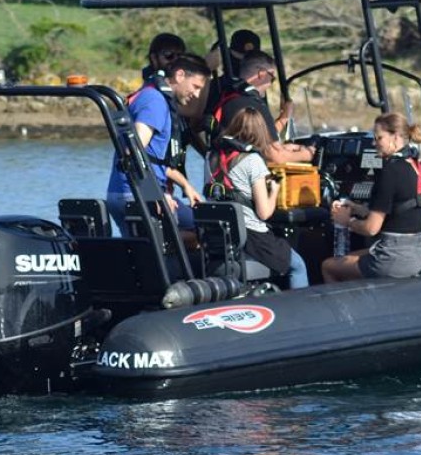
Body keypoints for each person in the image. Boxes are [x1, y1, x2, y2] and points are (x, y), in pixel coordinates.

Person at [205, 106, 309, 289]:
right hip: (252, 238)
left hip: (222, 238)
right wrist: (275, 189)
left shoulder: (211, 157)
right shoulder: (252, 161)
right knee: (298, 265)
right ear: (260, 133)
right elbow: (264, 213)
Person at [106, 53, 210, 236]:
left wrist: (186, 185)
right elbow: (134, 152)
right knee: (208, 225)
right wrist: (156, 194)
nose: (197, 94)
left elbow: (153, 159)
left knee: (144, 253)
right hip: (136, 196)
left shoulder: (149, 95)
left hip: (123, 193)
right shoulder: (155, 101)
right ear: (179, 76)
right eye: (195, 87)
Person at [322, 113, 421, 282]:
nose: (374, 143)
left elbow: (371, 228)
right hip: (420, 254)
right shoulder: (418, 167)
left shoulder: (390, 171)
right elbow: (398, 210)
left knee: (329, 266)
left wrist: (346, 221)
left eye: (378, 138)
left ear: (394, 137)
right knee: (352, 257)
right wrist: (356, 208)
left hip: (394, 259)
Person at [208, 51, 315, 165]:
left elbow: (260, 136)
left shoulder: (228, 97)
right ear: (262, 74)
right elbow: (274, 157)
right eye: (272, 79)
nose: (271, 84)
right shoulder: (254, 105)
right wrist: (307, 154)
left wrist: (284, 118)